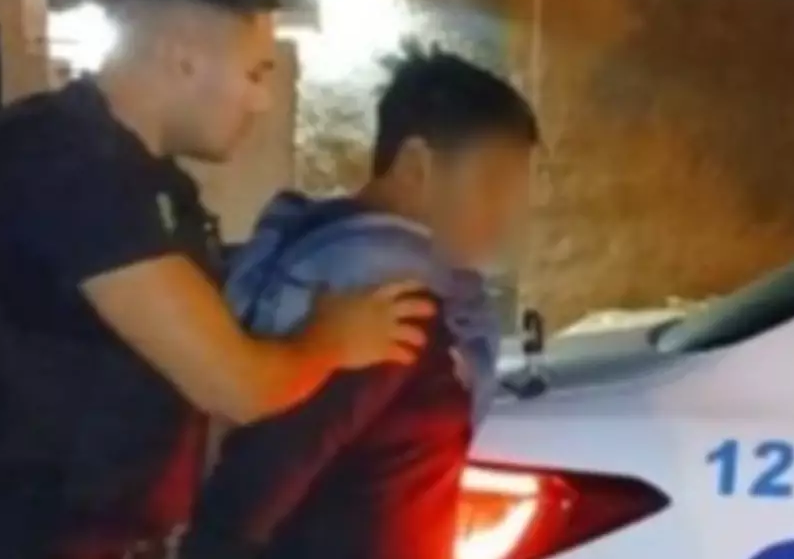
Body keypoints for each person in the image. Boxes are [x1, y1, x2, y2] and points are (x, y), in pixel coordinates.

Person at [0, 0, 433, 559]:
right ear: (184, 57)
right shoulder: (62, 162)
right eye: (255, 73)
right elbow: (236, 385)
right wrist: (333, 340)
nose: (261, 101)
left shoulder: (152, 186)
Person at [181, 46, 539, 559]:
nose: (504, 215)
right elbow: (251, 493)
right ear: (416, 165)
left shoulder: (321, 254)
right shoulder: (383, 300)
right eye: (492, 184)